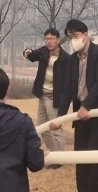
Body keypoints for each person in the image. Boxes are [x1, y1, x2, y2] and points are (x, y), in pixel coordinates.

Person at [50, 18, 98, 192]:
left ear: (86, 34)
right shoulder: (72, 60)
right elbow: (68, 90)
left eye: (76, 36)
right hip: (81, 115)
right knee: (80, 156)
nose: (74, 41)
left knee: (93, 157)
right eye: (70, 38)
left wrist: (87, 105)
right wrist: (60, 118)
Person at [21, 28, 69, 166]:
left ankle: (60, 160)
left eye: (52, 38)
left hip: (55, 97)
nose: (49, 41)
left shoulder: (64, 58)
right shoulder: (43, 52)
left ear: (58, 40)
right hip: (43, 95)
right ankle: (53, 154)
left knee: (56, 128)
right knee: (42, 127)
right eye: (46, 38)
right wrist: (27, 52)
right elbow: (31, 55)